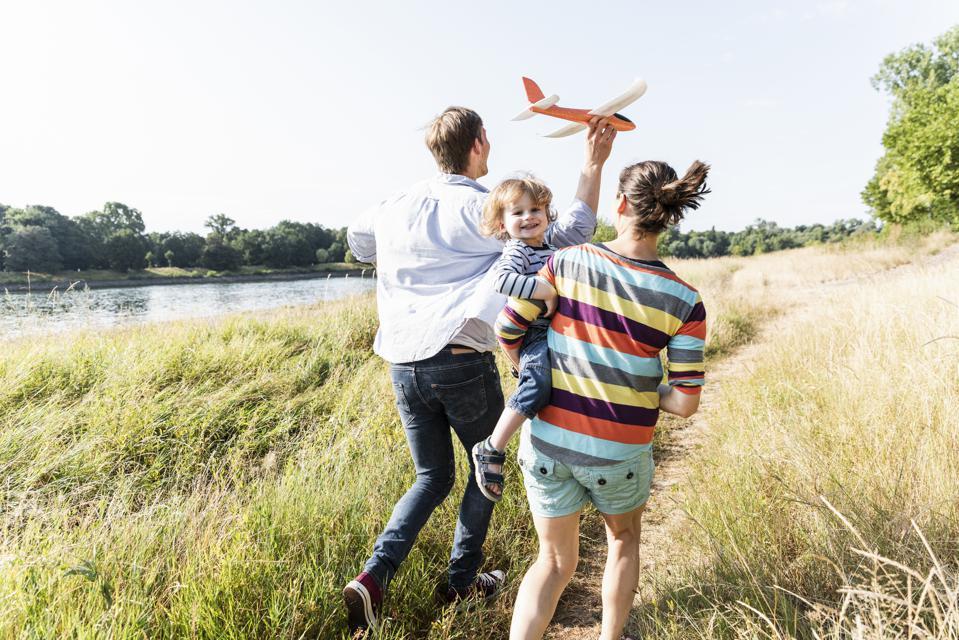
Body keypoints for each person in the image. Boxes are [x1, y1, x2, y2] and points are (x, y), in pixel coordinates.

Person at [343, 107, 616, 637]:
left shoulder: (392, 204)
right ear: (480, 143)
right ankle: (461, 580)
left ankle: (374, 577)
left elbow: (358, 244)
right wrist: (592, 162)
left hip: (402, 365)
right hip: (461, 358)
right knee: (483, 467)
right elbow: (567, 234)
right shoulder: (484, 208)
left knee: (431, 477)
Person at [501, 159, 711, 640]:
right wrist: (636, 388)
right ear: (670, 216)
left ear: (619, 205)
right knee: (623, 542)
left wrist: (535, 373)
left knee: (552, 562)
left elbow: (508, 328)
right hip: (620, 453)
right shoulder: (685, 299)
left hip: (549, 444)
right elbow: (683, 403)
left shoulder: (567, 260)